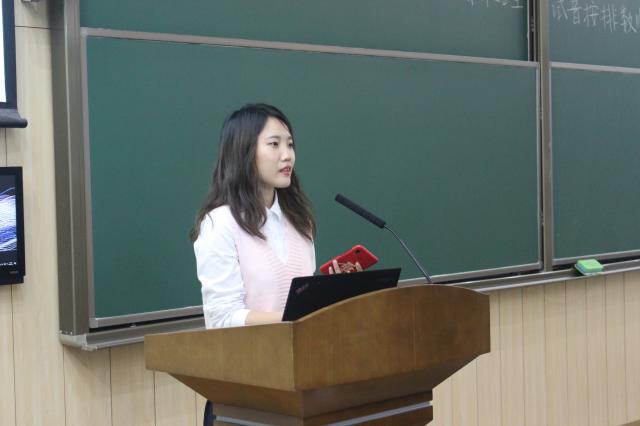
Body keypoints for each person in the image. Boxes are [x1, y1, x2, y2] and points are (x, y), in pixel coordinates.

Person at [190, 103, 318, 329]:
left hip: (305, 350)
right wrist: (295, 316)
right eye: (274, 144)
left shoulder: (300, 221)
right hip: (251, 351)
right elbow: (222, 318)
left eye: (290, 145)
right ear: (244, 151)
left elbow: (304, 302)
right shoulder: (219, 224)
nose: (287, 155)